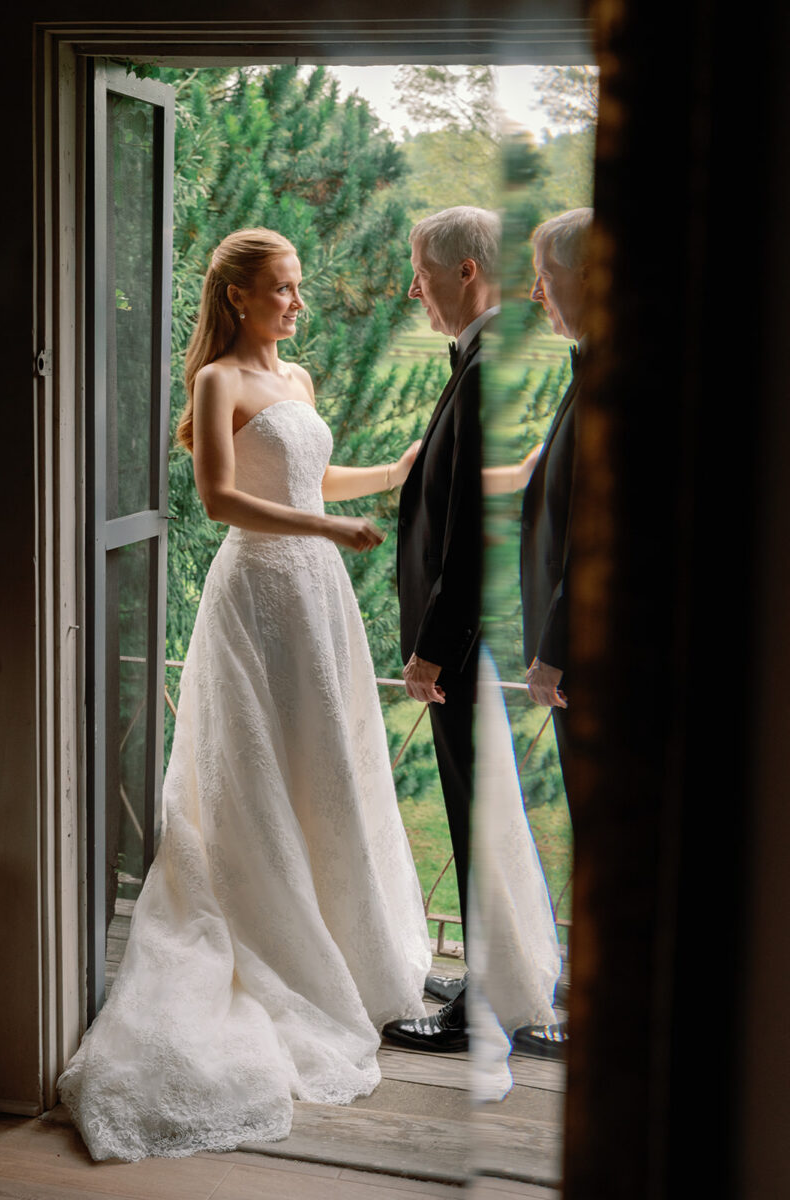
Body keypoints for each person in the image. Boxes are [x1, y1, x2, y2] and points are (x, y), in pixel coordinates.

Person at [58, 228, 432, 1161]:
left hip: (316, 593)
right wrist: (325, 527)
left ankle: (347, 935)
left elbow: (305, 471)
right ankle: (272, 926)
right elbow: (223, 500)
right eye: (281, 290)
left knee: (327, 759)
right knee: (262, 766)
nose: (296, 303)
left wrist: (386, 478)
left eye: (297, 287)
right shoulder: (217, 382)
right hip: (258, 591)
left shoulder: (298, 378)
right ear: (237, 298)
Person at [382, 206, 497, 1052]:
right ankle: (499, 979)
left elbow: (471, 533)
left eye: (421, 272)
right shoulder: (480, 360)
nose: (413, 289)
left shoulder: (490, 367)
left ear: (463, 271)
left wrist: (431, 645)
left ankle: (481, 1008)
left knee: (475, 818)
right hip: (468, 643)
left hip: (464, 648)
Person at [514, 206, 593, 1059]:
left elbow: (599, 529)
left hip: (588, 657)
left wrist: (554, 648)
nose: (538, 292)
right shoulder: (587, 367)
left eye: (547, 275)